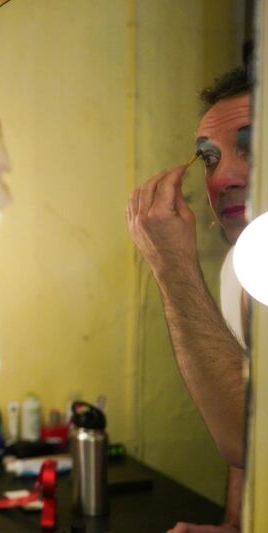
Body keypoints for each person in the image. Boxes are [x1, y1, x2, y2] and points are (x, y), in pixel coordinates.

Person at [127, 66, 251, 533]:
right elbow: (242, 418)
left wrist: (174, 268)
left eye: (252, 148)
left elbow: (255, 437)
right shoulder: (242, 269)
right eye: (210, 158)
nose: (222, 180)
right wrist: (236, 527)